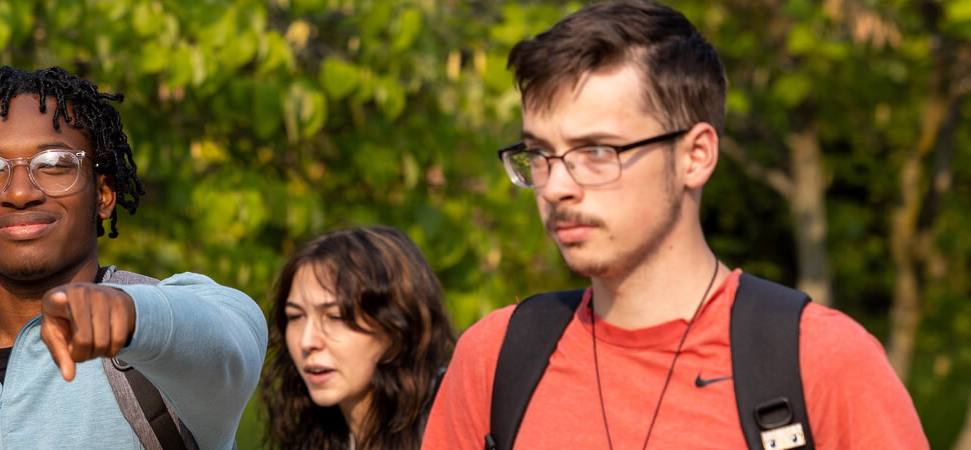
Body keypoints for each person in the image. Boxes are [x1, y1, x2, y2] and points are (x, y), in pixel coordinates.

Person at [421, 2, 926, 449]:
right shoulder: (495, 362)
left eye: (597, 152)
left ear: (696, 156)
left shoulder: (819, 363)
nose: (555, 187)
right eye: (540, 154)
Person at [0, 66, 266, 450]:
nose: (19, 192)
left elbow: (235, 334)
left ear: (103, 194)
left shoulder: (157, 355)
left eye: (54, 164)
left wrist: (131, 316)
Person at [261, 226, 454, 450]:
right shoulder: (318, 436)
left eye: (335, 316)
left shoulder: (458, 420)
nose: (307, 341)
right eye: (295, 316)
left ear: (396, 324)